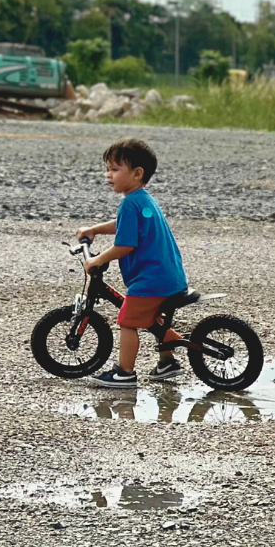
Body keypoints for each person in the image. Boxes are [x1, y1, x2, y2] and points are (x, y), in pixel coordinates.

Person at [77, 138, 188, 388]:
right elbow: (125, 227)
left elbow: (126, 245)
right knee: (152, 319)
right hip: (168, 276)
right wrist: (95, 229)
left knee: (128, 321)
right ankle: (168, 362)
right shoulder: (143, 200)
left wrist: (98, 259)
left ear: (137, 174)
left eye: (115, 170)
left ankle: (124, 372)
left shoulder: (130, 203)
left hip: (151, 281)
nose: (108, 175)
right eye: (108, 169)